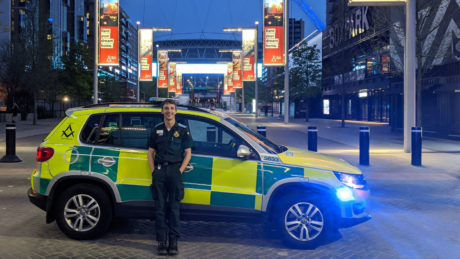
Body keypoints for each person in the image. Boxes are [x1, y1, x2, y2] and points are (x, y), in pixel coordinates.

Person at [147, 99, 193, 256]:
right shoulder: (156, 130)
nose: (169, 111)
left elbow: (188, 153)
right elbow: (150, 152)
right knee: (160, 209)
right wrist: (154, 171)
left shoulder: (183, 130)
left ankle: (173, 242)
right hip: (160, 172)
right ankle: (161, 242)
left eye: (172, 108)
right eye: (166, 108)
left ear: (175, 111)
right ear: (162, 111)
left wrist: (180, 170)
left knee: (174, 209)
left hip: (175, 171)